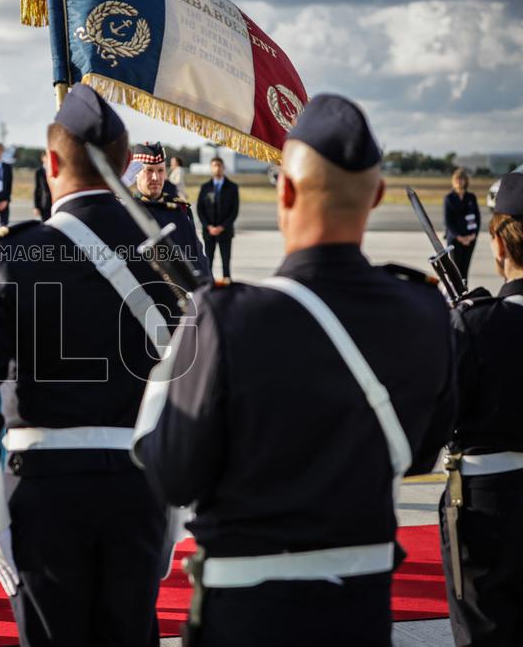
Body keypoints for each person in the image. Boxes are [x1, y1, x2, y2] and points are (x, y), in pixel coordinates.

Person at [138, 94, 456, 646]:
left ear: (284, 190)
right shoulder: (426, 313)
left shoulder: (226, 319)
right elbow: (421, 452)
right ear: (376, 196)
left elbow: (172, 473)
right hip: (360, 610)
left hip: (245, 612)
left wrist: (191, 330)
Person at [0, 84, 183, 645]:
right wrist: (172, 512)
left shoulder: (11, 251)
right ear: (126, 164)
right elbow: (190, 389)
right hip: (138, 491)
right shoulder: (163, 252)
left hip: (45, 495)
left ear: (50, 163)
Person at [441, 171, 523, 647]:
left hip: (487, 507)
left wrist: (458, 328)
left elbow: (435, 426)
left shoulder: (475, 324)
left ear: (498, 245)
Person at [131, 141, 209, 274]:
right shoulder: (126, 210)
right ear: (136, 173)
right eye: (149, 171)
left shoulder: (180, 209)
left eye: (160, 171)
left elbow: (197, 258)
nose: (156, 177)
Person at [196, 156, 238, 280]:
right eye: (215, 165)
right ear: (211, 168)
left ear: (223, 167)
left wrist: (222, 227)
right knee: (208, 262)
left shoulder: (232, 187)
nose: (217, 168)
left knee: (226, 263)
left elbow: (234, 211)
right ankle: (210, 286)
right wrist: (208, 226)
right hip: (209, 232)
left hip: (225, 231)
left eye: (219, 165)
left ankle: (227, 288)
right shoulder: (205, 187)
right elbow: (200, 209)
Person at [443, 167, 481, 284]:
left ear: (466, 181)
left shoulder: (471, 197)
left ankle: (464, 292)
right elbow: (448, 221)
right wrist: (459, 237)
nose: (459, 181)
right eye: (457, 179)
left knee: (465, 269)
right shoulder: (449, 198)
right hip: (455, 240)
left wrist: (473, 235)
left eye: (462, 179)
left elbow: (477, 217)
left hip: (470, 239)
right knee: (455, 270)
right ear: (453, 181)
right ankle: (455, 294)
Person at [32, 150, 52, 221]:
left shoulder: (55, 170)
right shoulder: (39, 172)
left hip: (54, 203)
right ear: (42, 158)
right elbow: (37, 189)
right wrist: (36, 206)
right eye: (46, 157)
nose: (48, 158)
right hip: (44, 204)